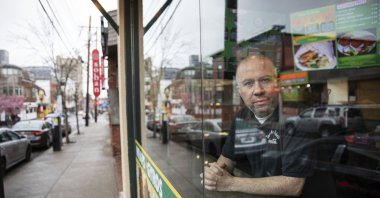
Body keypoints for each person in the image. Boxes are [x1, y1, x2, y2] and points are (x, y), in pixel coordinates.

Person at [200, 54, 313, 196]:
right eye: (248, 83)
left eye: (265, 80)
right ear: (240, 91)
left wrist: (230, 183)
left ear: (277, 83)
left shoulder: (297, 118)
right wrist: (214, 173)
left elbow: (293, 185)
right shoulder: (242, 118)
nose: (258, 90)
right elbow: (226, 161)